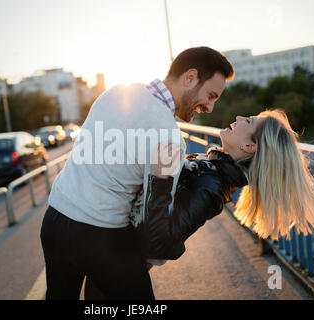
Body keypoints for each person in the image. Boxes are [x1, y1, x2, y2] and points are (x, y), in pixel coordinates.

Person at [39, 46, 234, 300]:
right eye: (210, 95)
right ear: (189, 77)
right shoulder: (168, 136)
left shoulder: (116, 93)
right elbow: (154, 222)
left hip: (54, 220)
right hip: (98, 236)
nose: (209, 107)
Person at [140, 109, 314, 263]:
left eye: (249, 121)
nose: (239, 117)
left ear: (250, 147)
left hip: (124, 258)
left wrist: (161, 178)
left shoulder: (212, 186)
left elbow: (159, 243)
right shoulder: (210, 168)